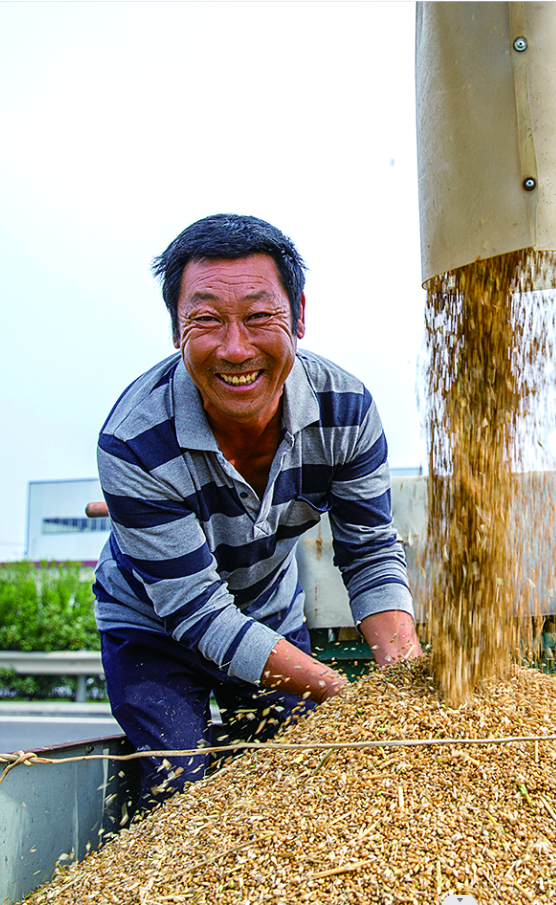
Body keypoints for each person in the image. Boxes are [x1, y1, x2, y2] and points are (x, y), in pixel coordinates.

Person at [92, 214, 420, 809]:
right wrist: (345, 695)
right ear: (175, 332)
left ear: (298, 317)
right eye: (207, 320)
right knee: (179, 796)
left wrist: (403, 683)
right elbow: (195, 613)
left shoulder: (345, 409)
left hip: (269, 614)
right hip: (157, 628)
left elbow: (370, 552)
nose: (235, 348)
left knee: (295, 790)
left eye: (259, 317)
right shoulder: (134, 442)